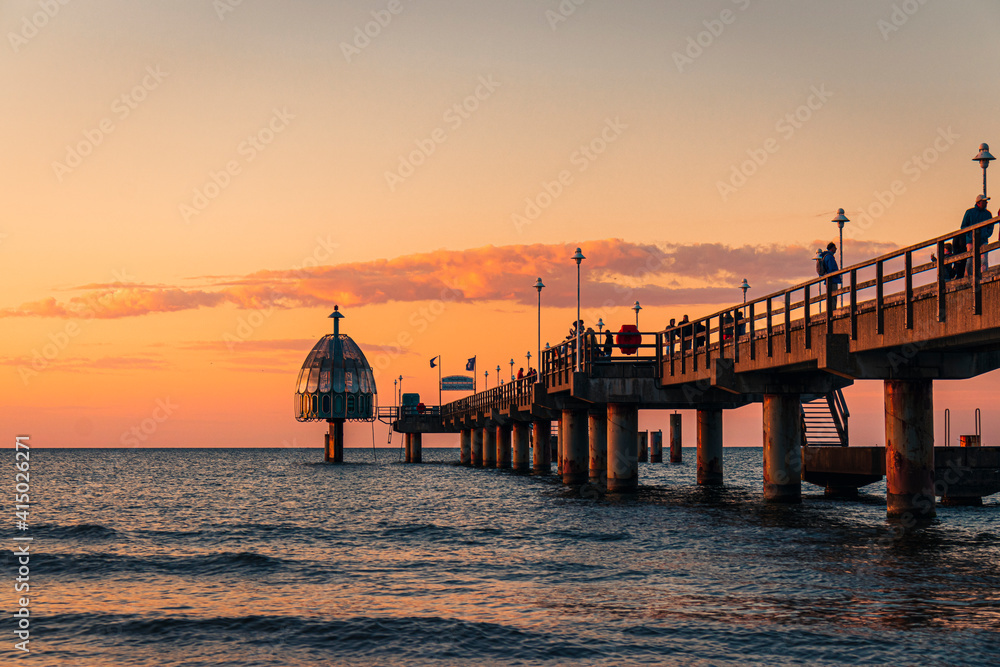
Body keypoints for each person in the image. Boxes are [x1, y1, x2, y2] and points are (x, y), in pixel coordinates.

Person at [956, 194, 994, 277]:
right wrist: (970, 235)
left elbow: (990, 227)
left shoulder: (988, 214)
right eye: (984, 201)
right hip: (970, 240)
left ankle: (983, 275)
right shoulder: (969, 212)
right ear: (979, 202)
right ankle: (968, 276)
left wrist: (985, 235)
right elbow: (963, 226)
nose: (986, 203)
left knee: (984, 259)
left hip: (983, 240)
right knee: (970, 260)